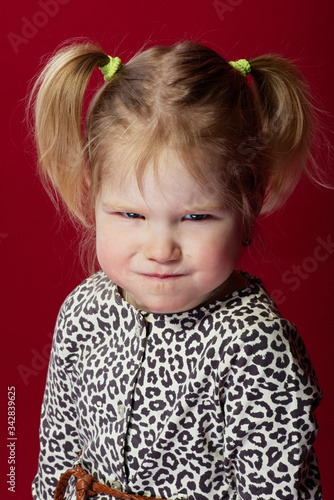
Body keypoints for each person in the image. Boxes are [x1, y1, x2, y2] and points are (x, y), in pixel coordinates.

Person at [30, 40, 323, 500]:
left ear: (250, 203)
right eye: (130, 215)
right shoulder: (82, 314)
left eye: (195, 217)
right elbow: (58, 455)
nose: (160, 249)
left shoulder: (254, 348)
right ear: (92, 197)